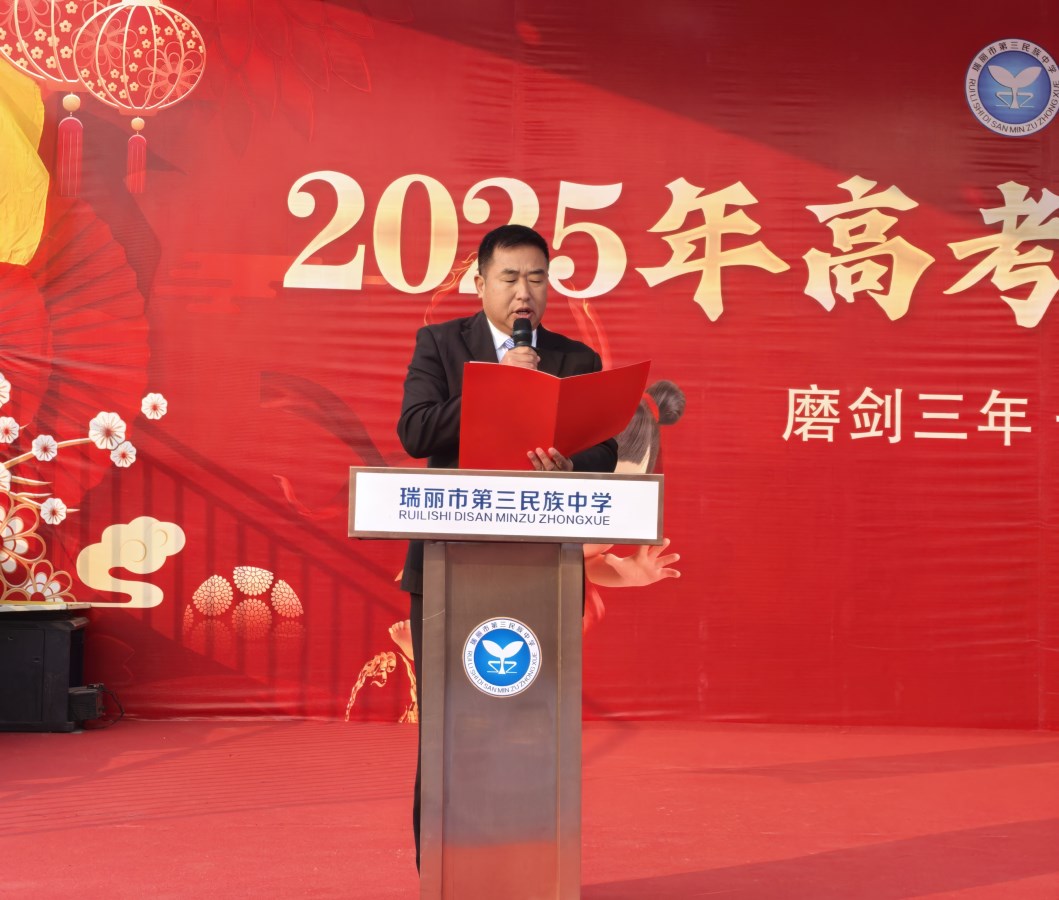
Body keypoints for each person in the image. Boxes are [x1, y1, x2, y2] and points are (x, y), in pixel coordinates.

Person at [396, 223, 618, 869]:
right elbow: (416, 432)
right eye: (511, 278)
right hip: (450, 565)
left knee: (532, 725)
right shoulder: (441, 345)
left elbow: (603, 450)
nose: (525, 293)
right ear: (480, 283)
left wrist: (571, 465)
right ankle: (444, 872)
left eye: (537, 279)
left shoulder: (574, 358)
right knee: (448, 726)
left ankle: (527, 869)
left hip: (540, 570)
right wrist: (494, 383)